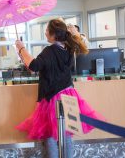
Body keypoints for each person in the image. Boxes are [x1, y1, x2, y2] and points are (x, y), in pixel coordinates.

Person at [15, 19, 104, 158]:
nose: (45, 33)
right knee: (67, 134)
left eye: (46, 30)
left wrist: (21, 48)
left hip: (53, 98)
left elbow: (34, 66)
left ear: (53, 34)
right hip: (69, 94)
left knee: (50, 135)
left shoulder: (50, 51)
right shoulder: (68, 48)